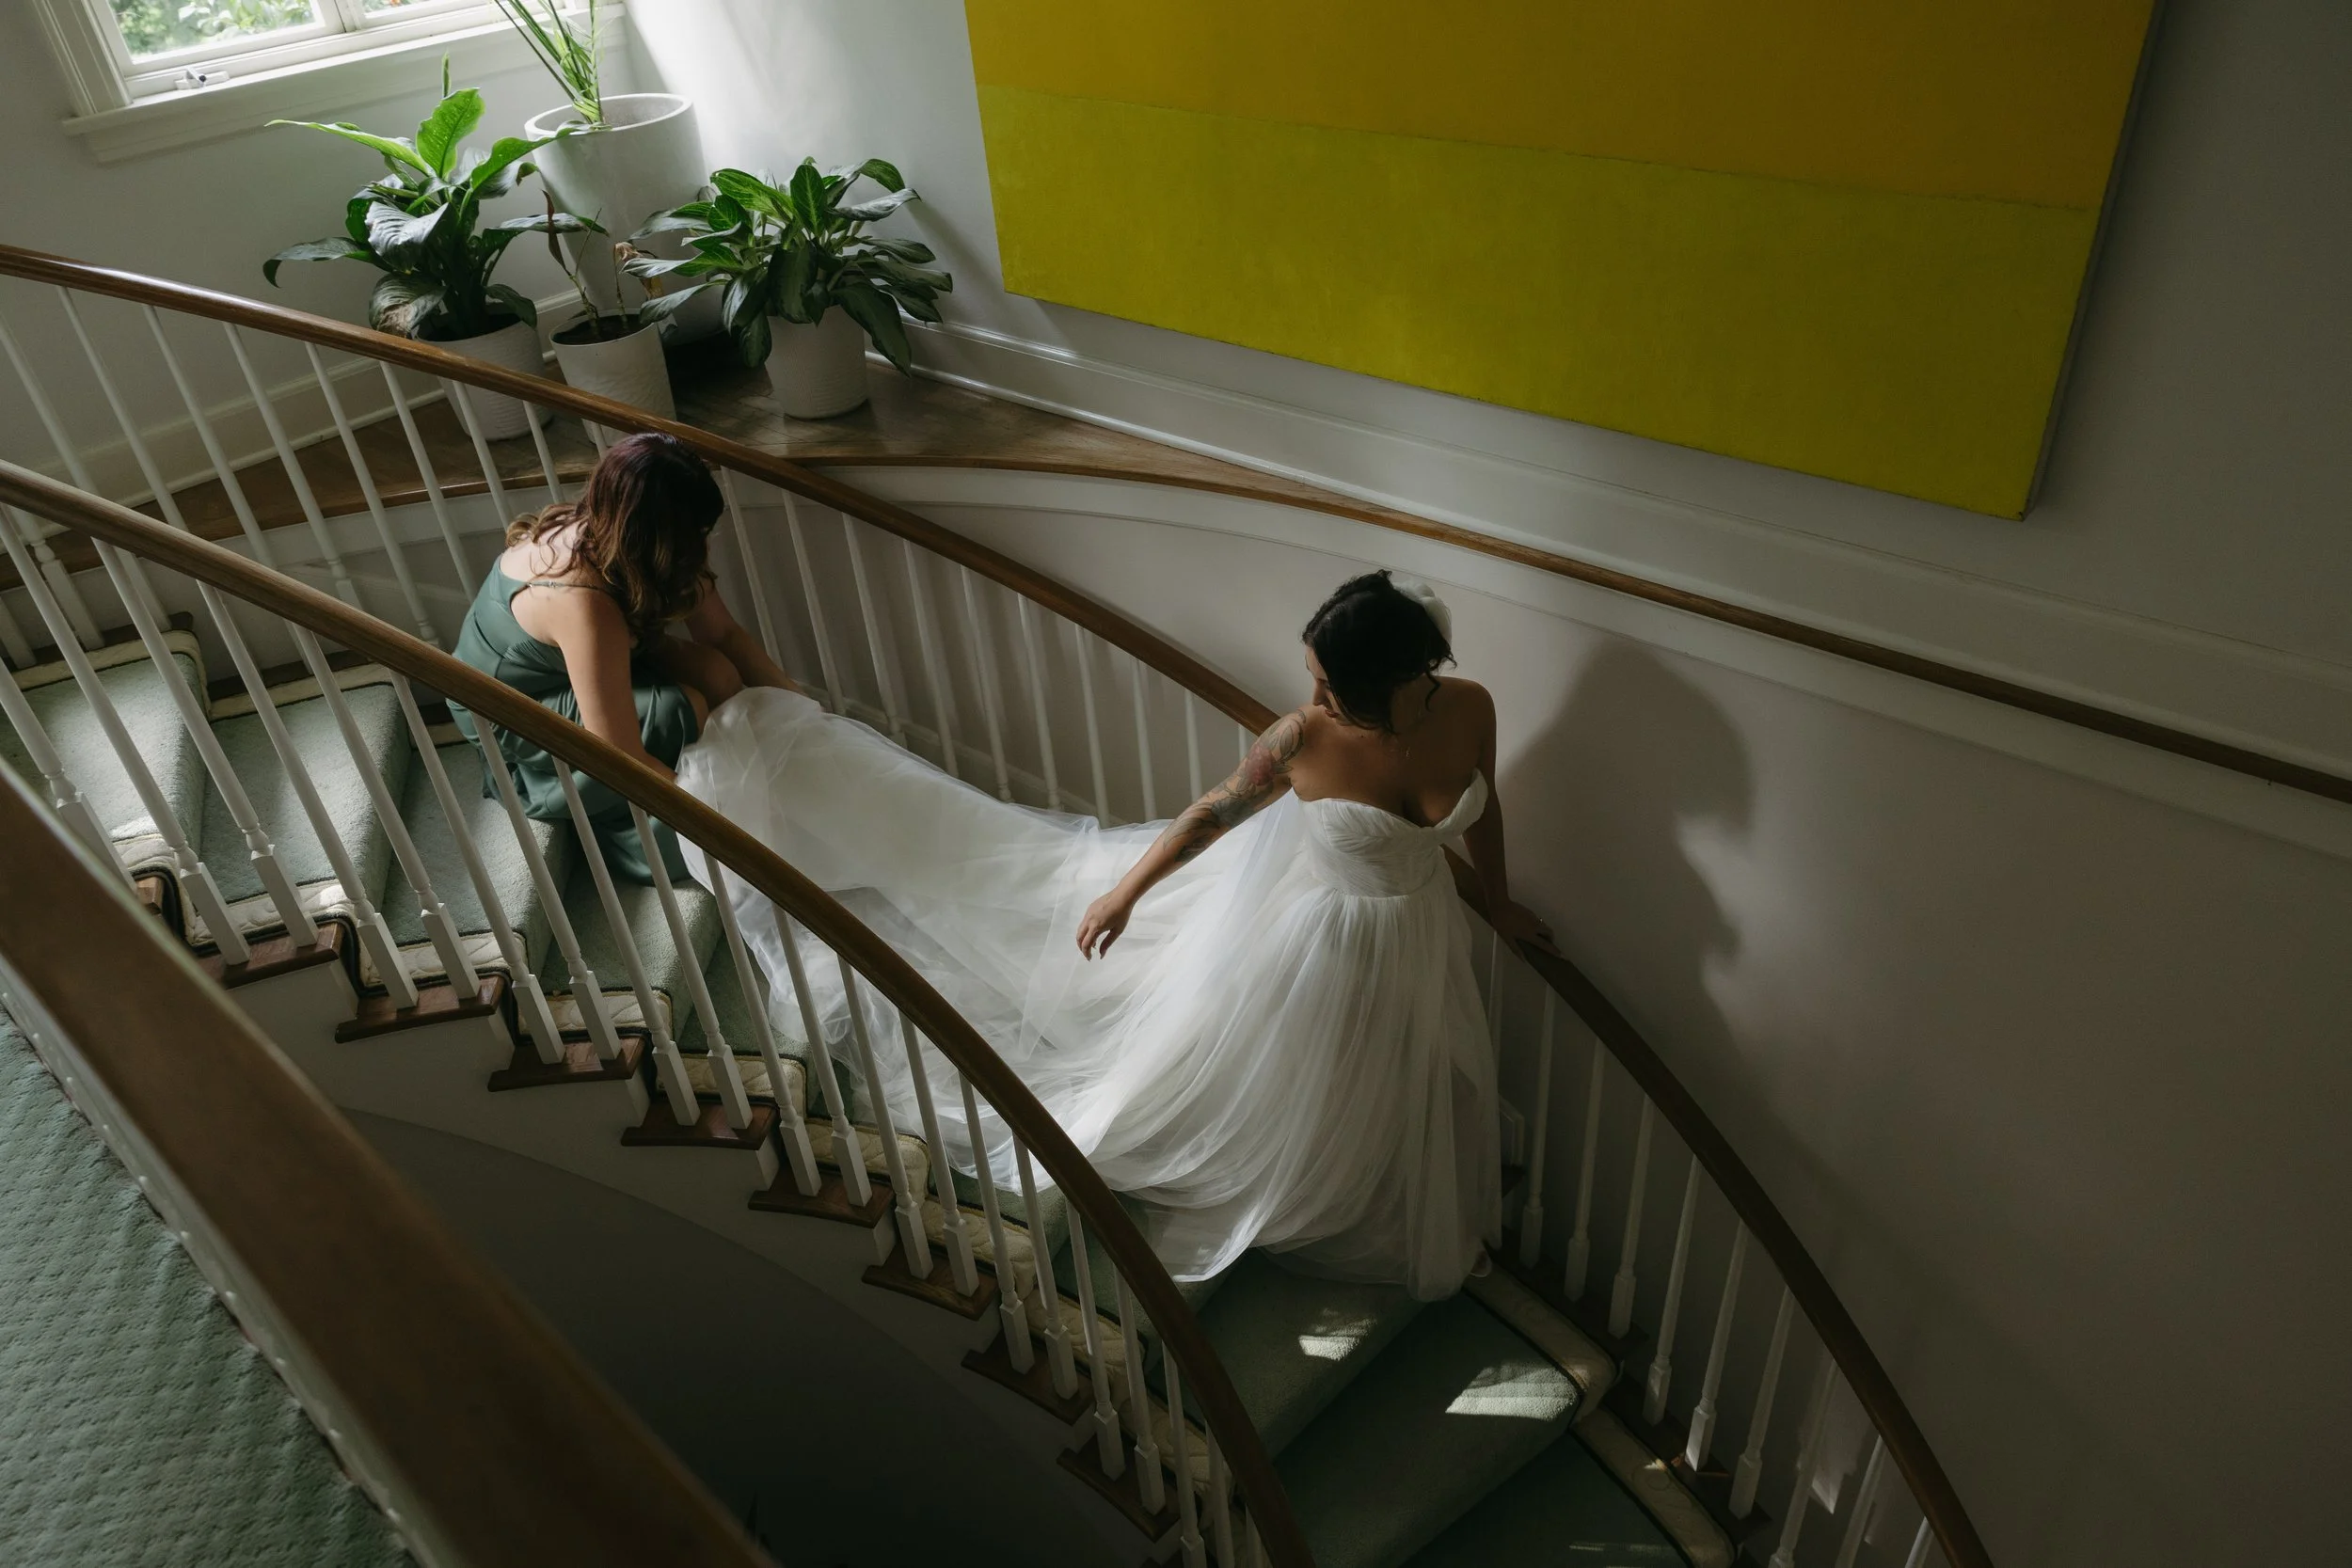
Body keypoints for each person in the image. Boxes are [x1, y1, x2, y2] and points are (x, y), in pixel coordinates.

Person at [676, 570, 1552, 1299]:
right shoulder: (1303, 738)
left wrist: (1502, 905)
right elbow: (1213, 811)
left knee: (1396, 1060)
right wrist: (1127, 891)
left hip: (1418, 925)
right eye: (1313, 677)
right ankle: (1297, 1181)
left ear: (1395, 678)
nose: (1312, 696)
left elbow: (1487, 810)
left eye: (1331, 684)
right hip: (1324, 936)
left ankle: (1375, 1181)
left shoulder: (1470, 709)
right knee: (1314, 1070)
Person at [448, 432, 795, 882]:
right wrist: (720, 831)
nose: (704, 545)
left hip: (578, 660)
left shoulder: (619, 533)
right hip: (510, 703)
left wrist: (799, 704)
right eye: (695, 535)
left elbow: (723, 633)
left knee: (718, 674)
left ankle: (711, 774)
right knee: (681, 708)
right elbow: (619, 755)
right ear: (658, 537)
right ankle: (631, 840)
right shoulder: (581, 600)